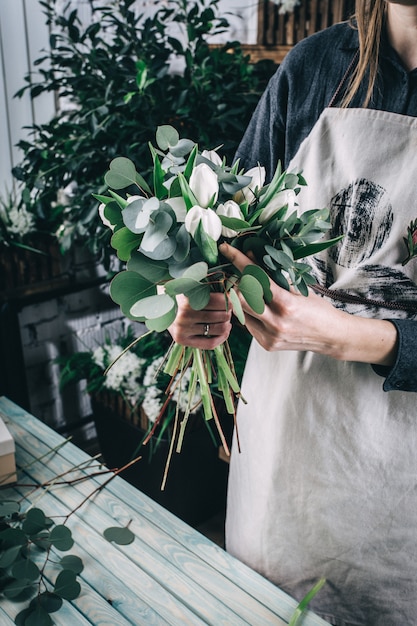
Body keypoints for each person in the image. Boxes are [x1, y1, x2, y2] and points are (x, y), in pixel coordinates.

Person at [169, 1, 417, 624]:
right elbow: (232, 238)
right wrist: (202, 296)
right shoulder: (313, 67)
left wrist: (362, 337)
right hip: (290, 456)